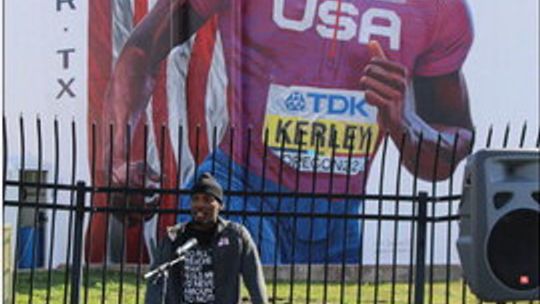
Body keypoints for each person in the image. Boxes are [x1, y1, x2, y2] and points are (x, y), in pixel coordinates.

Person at [101, 0, 475, 264]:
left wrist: (404, 124)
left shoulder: (439, 8)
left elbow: (447, 151)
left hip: (339, 222)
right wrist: (114, 160)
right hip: (239, 193)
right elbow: (141, 49)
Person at [145, 172, 268, 304]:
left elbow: (255, 281)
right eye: (196, 199)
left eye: (207, 199)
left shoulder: (236, 237)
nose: (200, 205)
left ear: (220, 205)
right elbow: (155, 285)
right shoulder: (174, 238)